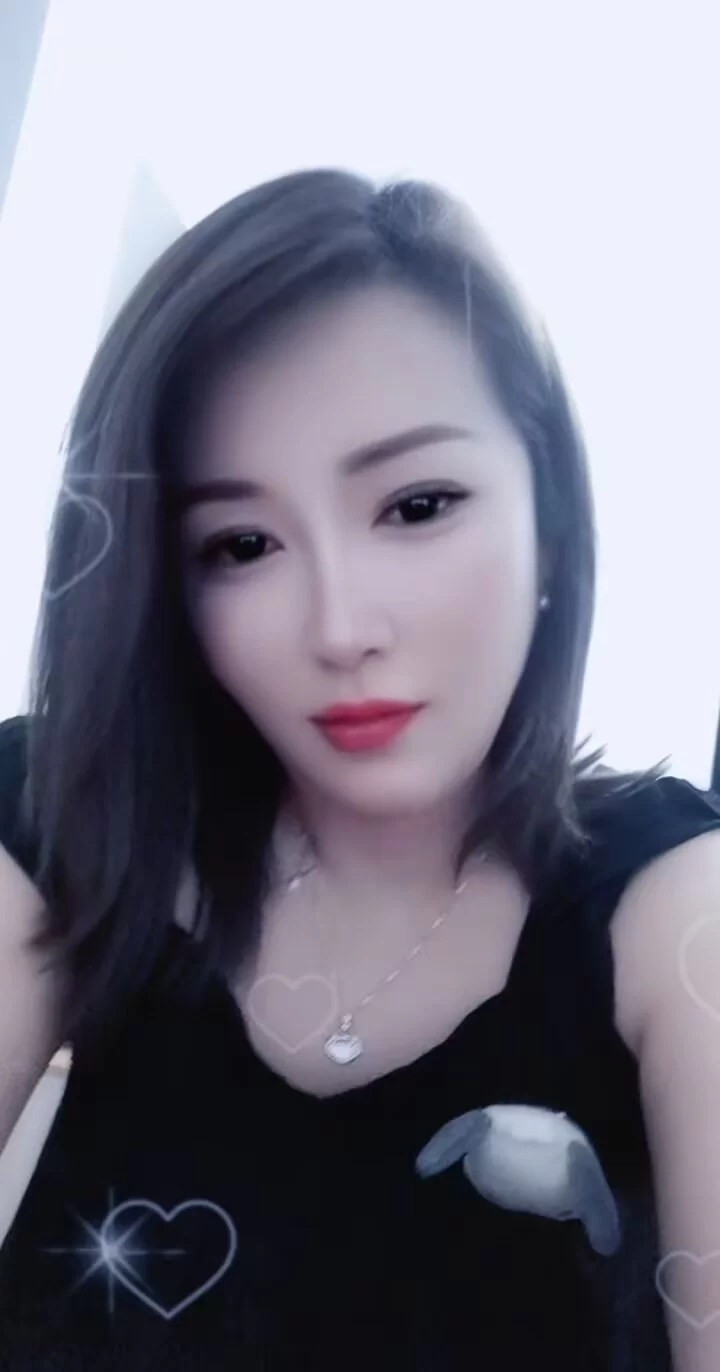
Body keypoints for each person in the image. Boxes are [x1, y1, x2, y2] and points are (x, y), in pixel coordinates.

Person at [0, 167, 719, 1372]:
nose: (339, 628)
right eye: (242, 543)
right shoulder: (65, 807)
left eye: (418, 504)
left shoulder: (673, 907)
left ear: (551, 525)